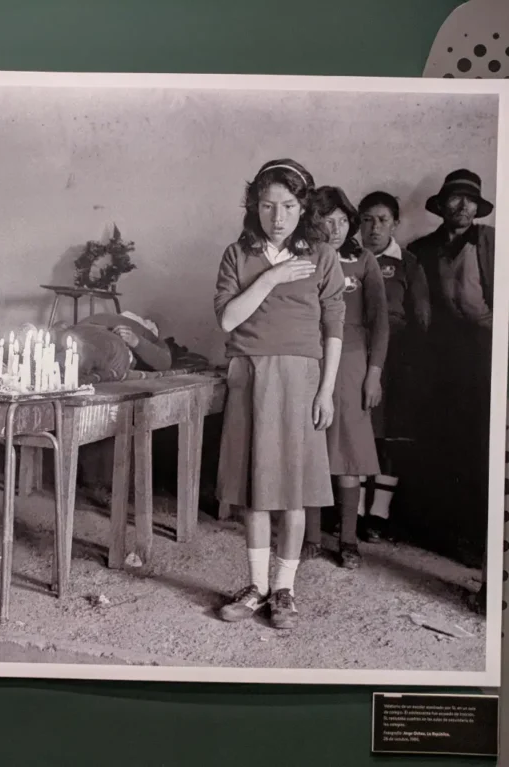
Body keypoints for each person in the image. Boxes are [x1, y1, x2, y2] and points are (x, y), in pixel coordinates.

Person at [214, 158, 345, 630]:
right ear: (255, 206)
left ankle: (284, 590)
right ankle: (256, 587)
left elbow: (334, 327)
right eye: (268, 205)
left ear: (303, 207)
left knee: (293, 491)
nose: (278, 216)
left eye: (288, 205)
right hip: (250, 375)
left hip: (301, 378)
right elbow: (228, 319)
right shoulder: (238, 254)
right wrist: (271, 276)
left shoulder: (322, 255)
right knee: (256, 489)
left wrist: (326, 391)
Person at [407, 169, 496, 613]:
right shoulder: (422, 250)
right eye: (455, 199)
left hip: (486, 352)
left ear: (477, 208)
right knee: (444, 441)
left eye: (470, 200)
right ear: (441, 206)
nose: (462, 206)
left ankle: (478, 539)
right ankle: (447, 535)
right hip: (442, 358)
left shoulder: (491, 242)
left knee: (482, 443)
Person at [302, 187, 389, 569]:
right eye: (327, 221)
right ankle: (310, 537)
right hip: (311, 360)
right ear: (313, 221)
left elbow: (380, 323)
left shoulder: (363, 260)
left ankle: (348, 540)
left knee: (349, 454)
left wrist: (374, 374)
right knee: (312, 447)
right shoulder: (302, 257)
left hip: (352, 365)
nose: (336, 229)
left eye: (342, 221)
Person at [357, 191, 430, 543]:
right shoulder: (348, 259)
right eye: (367, 220)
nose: (374, 228)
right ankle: (353, 512)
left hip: (397, 359)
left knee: (390, 436)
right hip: (356, 354)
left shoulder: (408, 264)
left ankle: (379, 514)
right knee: (357, 432)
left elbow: (422, 318)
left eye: (383, 220)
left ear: (395, 224)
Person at [57, 311, 173, 507]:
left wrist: (136, 342)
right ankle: (99, 485)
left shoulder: (137, 334)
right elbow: (164, 361)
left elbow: (163, 361)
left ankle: (96, 484)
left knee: (82, 373)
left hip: (90, 347)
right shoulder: (126, 324)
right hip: (87, 342)